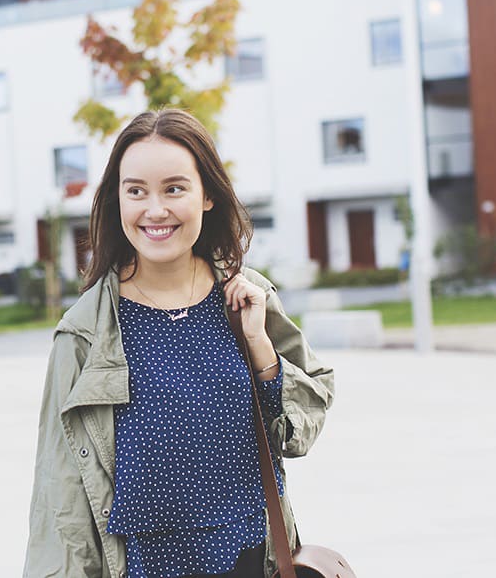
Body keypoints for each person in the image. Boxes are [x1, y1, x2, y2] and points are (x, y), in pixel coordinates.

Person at [23, 108, 335, 578]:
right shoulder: (84, 331)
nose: (155, 210)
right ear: (117, 202)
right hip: (141, 567)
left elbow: (298, 430)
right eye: (136, 191)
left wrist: (258, 345)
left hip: (249, 558)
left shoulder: (247, 297)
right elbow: (60, 492)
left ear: (206, 194)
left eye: (174, 188)